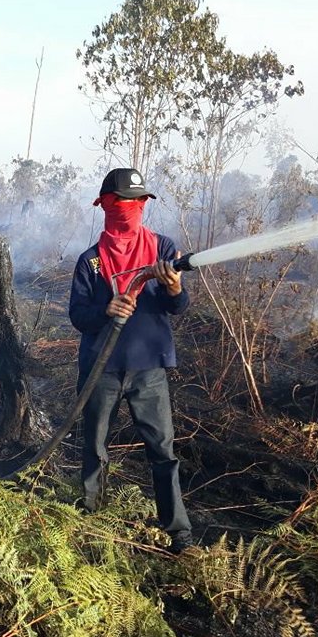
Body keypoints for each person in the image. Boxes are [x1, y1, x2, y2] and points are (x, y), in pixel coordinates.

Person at [68, 167, 194, 554]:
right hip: (101, 370)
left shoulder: (162, 248)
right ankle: (90, 520)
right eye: (125, 201)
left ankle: (180, 535)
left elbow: (178, 307)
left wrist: (174, 287)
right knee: (95, 447)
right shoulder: (90, 262)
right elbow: (78, 317)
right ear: (106, 204)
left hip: (149, 369)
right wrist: (106, 308)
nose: (133, 208)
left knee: (163, 452)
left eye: (139, 201)